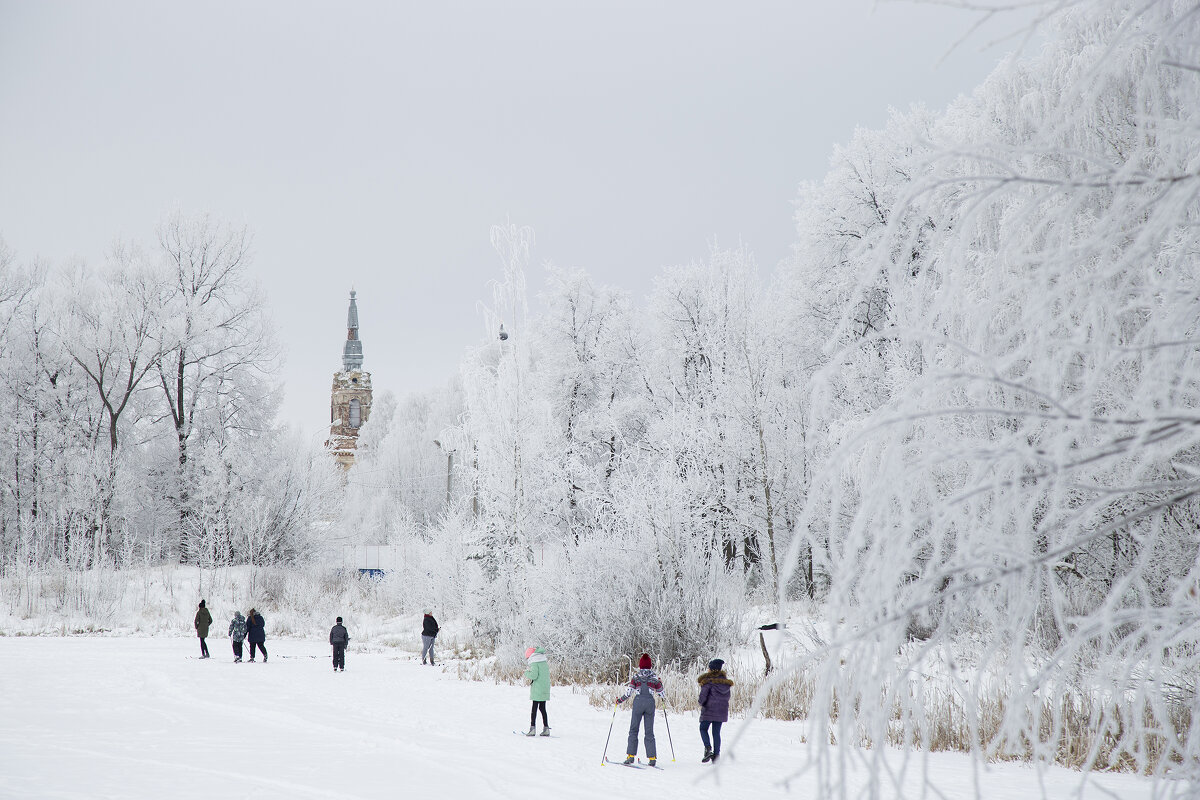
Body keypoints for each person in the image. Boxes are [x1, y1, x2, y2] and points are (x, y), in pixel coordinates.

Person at [616, 653, 666, 766]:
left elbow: (628, 693)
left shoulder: (636, 677)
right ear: (650, 666)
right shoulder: (654, 678)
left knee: (634, 730)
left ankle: (630, 756)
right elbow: (662, 694)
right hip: (650, 704)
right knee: (649, 731)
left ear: (640, 666)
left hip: (638, 703)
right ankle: (652, 758)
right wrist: (660, 684)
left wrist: (619, 700)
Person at [697, 658, 733, 763]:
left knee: (703, 728)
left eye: (709, 667)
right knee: (716, 733)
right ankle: (716, 756)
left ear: (712, 669)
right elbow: (727, 697)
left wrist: (701, 703)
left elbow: (702, 697)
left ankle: (708, 748)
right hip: (721, 711)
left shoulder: (708, 682)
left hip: (709, 710)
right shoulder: (726, 684)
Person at [523, 646, 550, 736]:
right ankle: (546, 728)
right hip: (545, 688)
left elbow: (534, 675)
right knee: (542, 708)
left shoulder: (535, 663)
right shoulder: (543, 662)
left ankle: (532, 728)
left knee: (534, 708)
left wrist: (526, 673)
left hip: (537, 688)